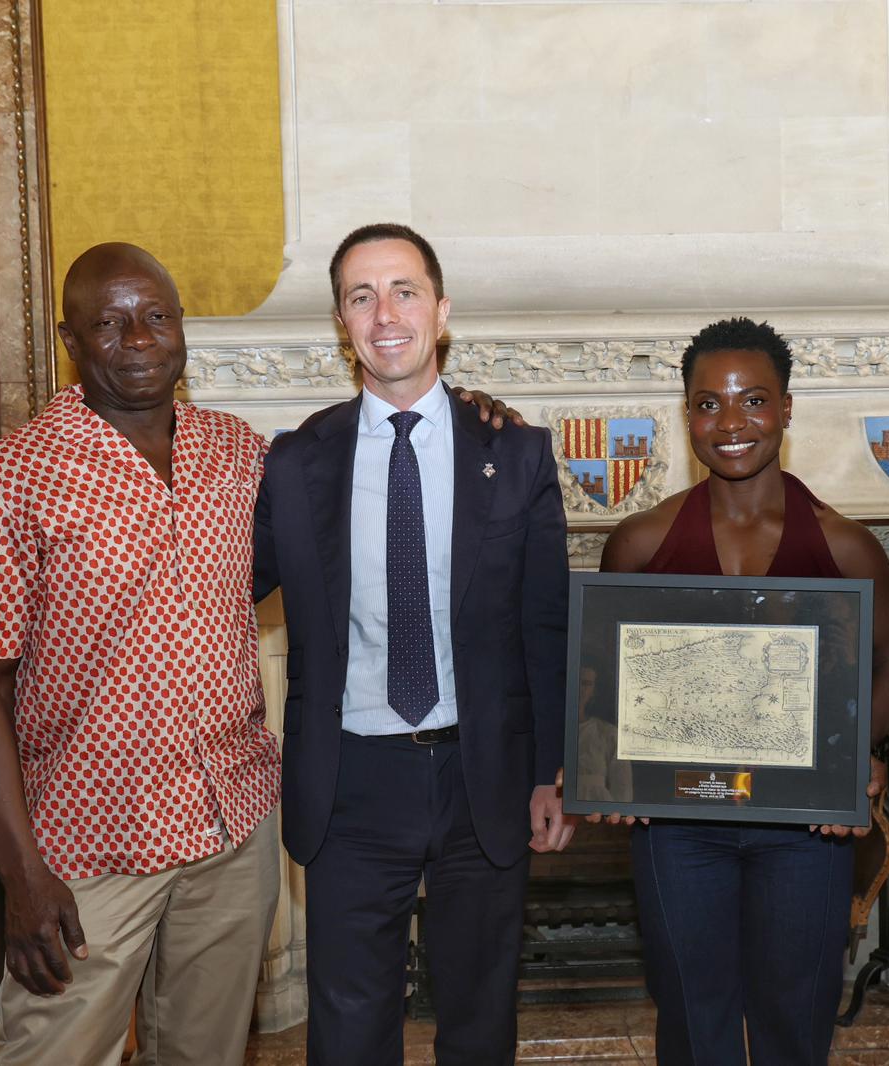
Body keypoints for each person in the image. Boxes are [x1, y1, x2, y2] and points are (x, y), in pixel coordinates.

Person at [0, 243, 283, 1066]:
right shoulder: (8, 477)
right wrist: (22, 876)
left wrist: (464, 406)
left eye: (156, 316)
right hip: (87, 846)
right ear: (71, 339)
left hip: (234, 828)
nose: (138, 338)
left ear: (181, 326)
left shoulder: (240, 455)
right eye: (110, 322)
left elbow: (360, 470)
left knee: (206, 1055)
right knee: (46, 1055)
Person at [252, 222, 575, 1065]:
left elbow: (547, 624)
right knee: (350, 1031)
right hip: (352, 782)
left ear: (441, 312)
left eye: (404, 291)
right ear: (340, 322)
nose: (384, 312)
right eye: (361, 296)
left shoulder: (517, 450)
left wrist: (553, 770)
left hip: (485, 781)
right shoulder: (294, 464)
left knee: (478, 1023)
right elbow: (223, 588)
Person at [595, 317, 889, 1066]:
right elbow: (604, 676)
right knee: (690, 1015)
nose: (731, 423)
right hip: (678, 828)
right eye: (708, 404)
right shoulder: (639, 542)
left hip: (802, 832)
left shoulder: (844, 542)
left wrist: (852, 755)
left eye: (753, 401)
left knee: (795, 1020)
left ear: (787, 409)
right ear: (687, 415)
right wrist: (602, 757)